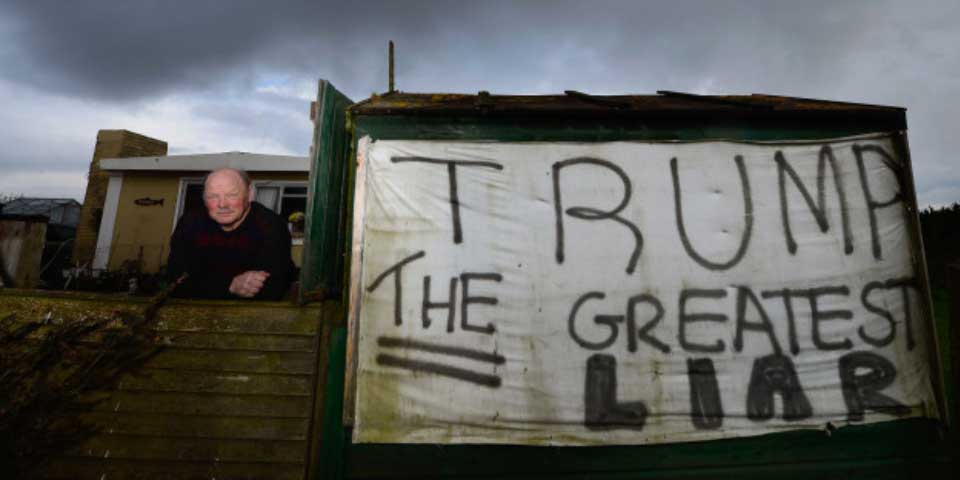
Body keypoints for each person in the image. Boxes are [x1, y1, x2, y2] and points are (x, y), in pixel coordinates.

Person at [166, 168, 295, 300]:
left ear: (249, 195)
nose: (222, 204)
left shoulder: (270, 225)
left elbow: (273, 287)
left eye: (232, 195)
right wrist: (230, 285)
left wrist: (204, 282)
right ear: (204, 198)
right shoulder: (190, 222)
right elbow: (175, 280)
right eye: (213, 196)